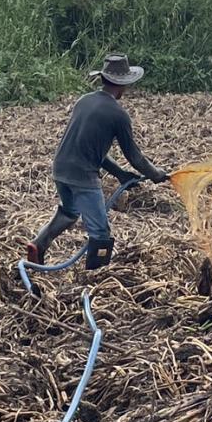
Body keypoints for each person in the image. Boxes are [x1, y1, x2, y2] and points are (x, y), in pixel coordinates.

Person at [26, 54, 170, 269]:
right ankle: (94, 279)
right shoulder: (118, 115)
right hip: (83, 176)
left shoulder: (84, 101)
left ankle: (38, 245)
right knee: (100, 233)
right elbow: (135, 157)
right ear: (123, 86)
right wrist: (156, 174)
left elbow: (94, 150)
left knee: (70, 212)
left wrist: (120, 174)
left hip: (60, 169)